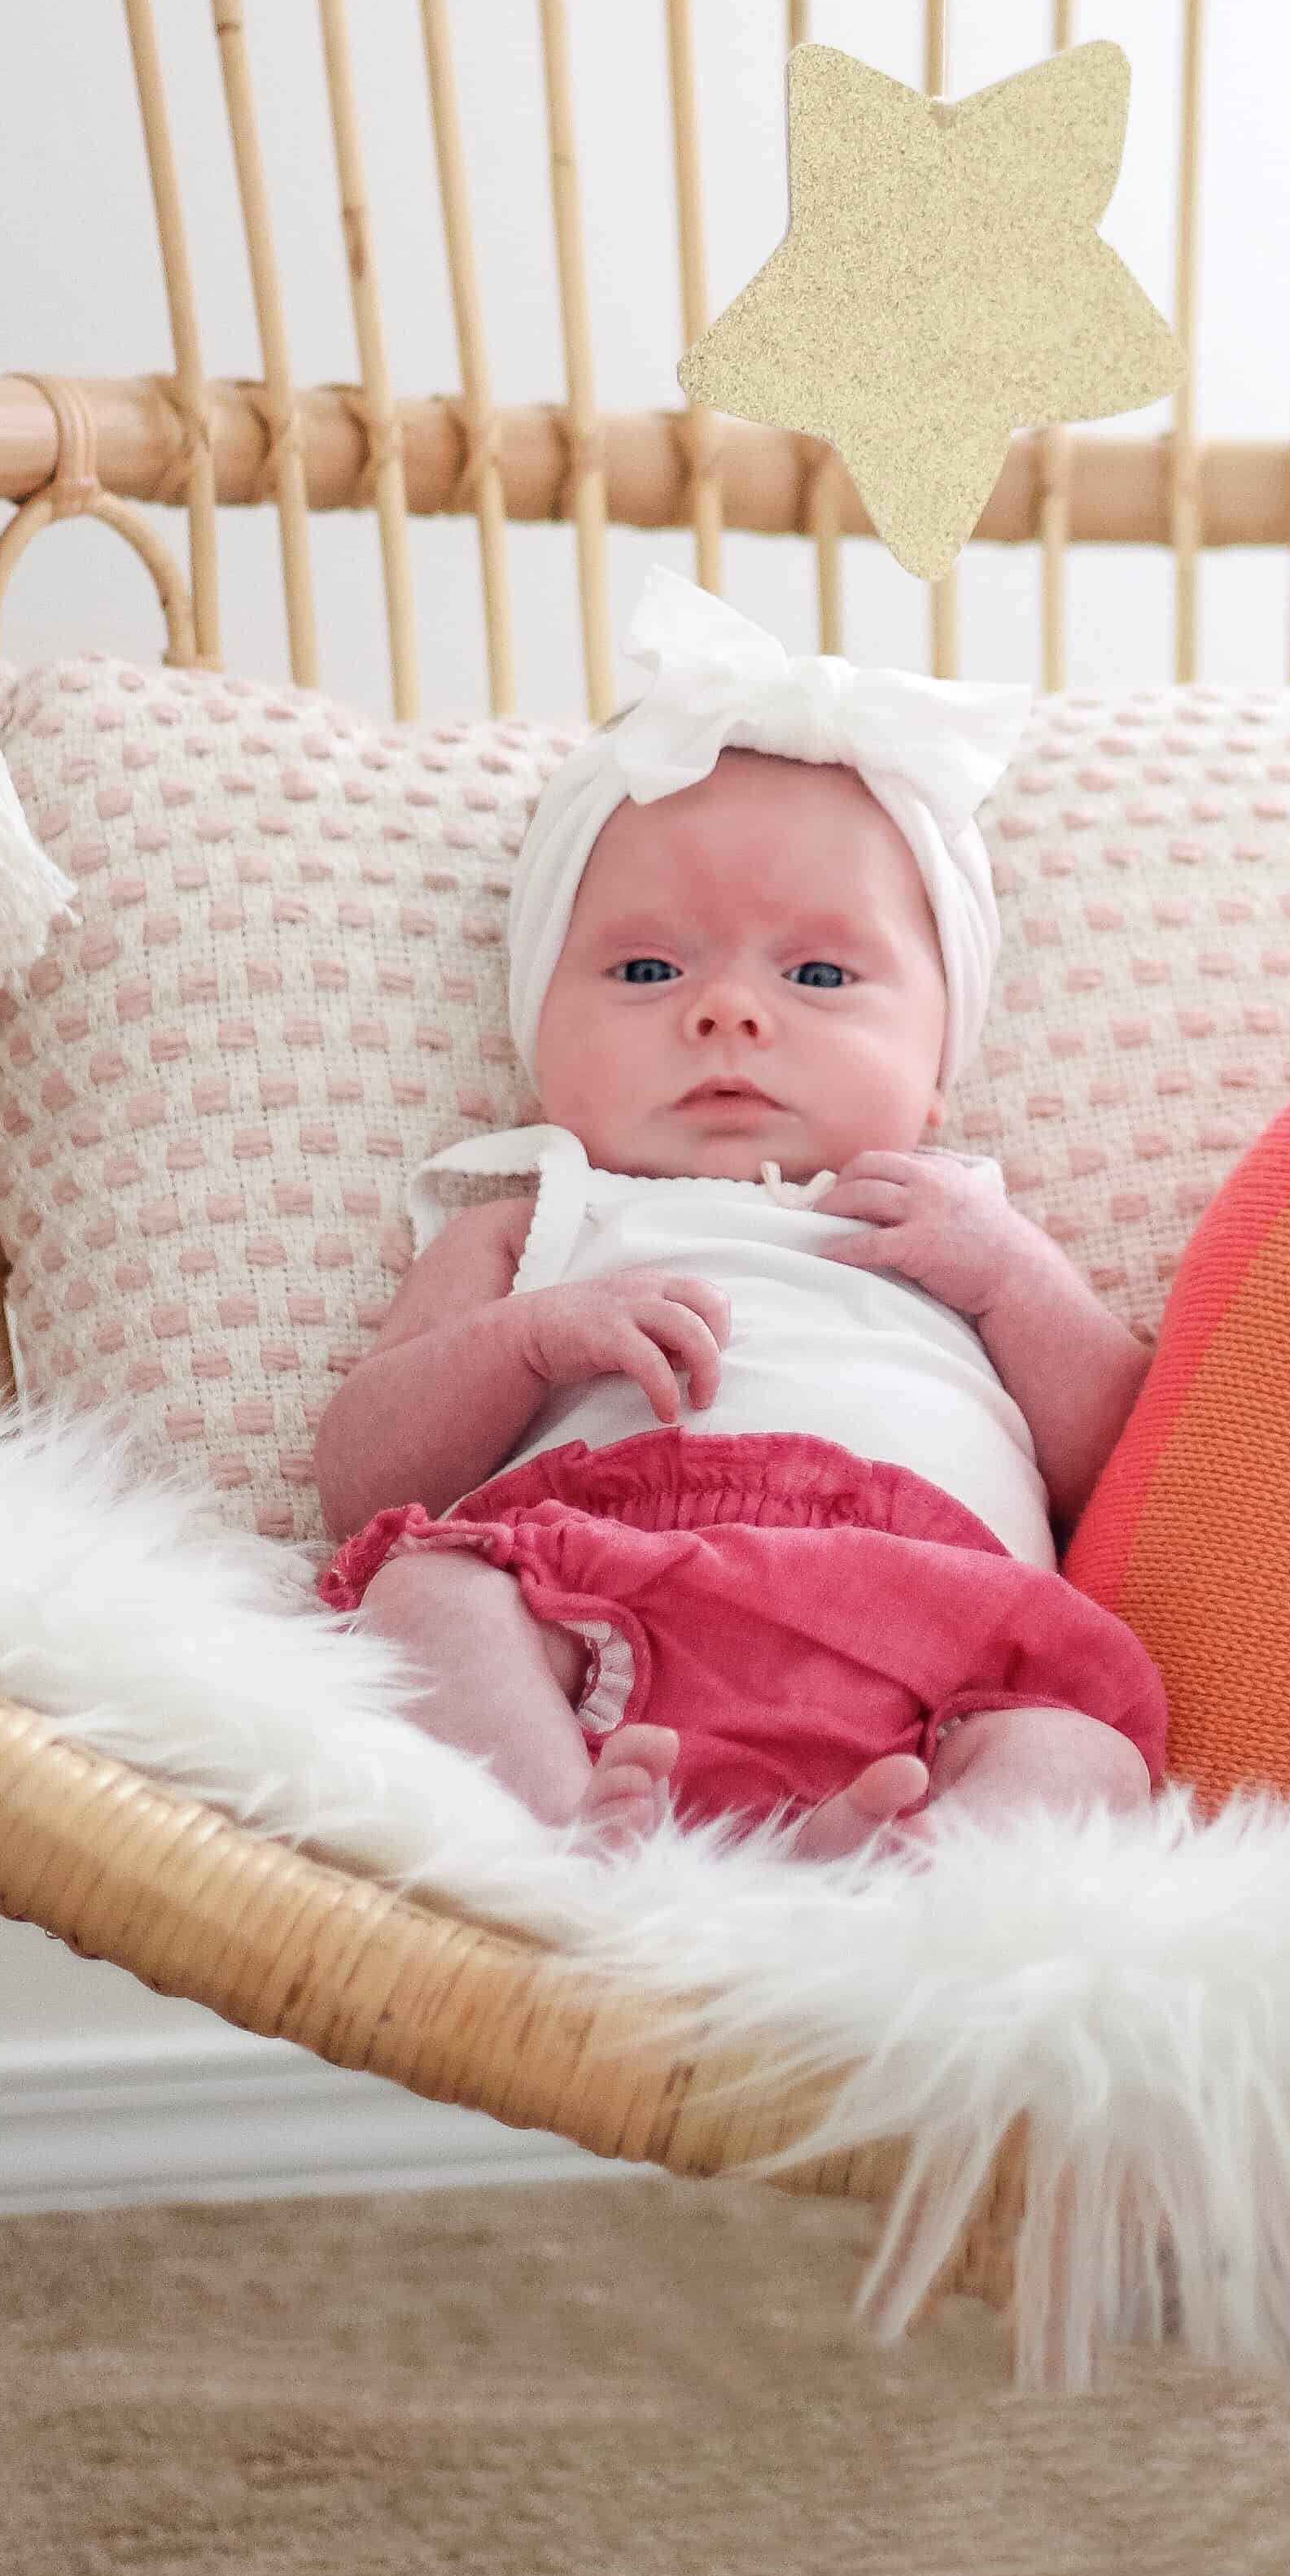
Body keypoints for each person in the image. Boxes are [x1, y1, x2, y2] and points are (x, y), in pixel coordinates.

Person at [313, 574, 1168, 1857]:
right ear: (537, 1028)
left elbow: (1119, 1468)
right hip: (596, 1596)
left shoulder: (957, 1225)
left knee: (1082, 1748)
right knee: (426, 1595)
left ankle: (906, 1892)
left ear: (939, 1068)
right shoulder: (535, 1224)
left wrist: (1017, 1286)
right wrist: (534, 1341)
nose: (728, 1012)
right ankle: (564, 1849)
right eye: (649, 970)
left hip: (936, 1633)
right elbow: (363, 1477)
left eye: (819, 973)